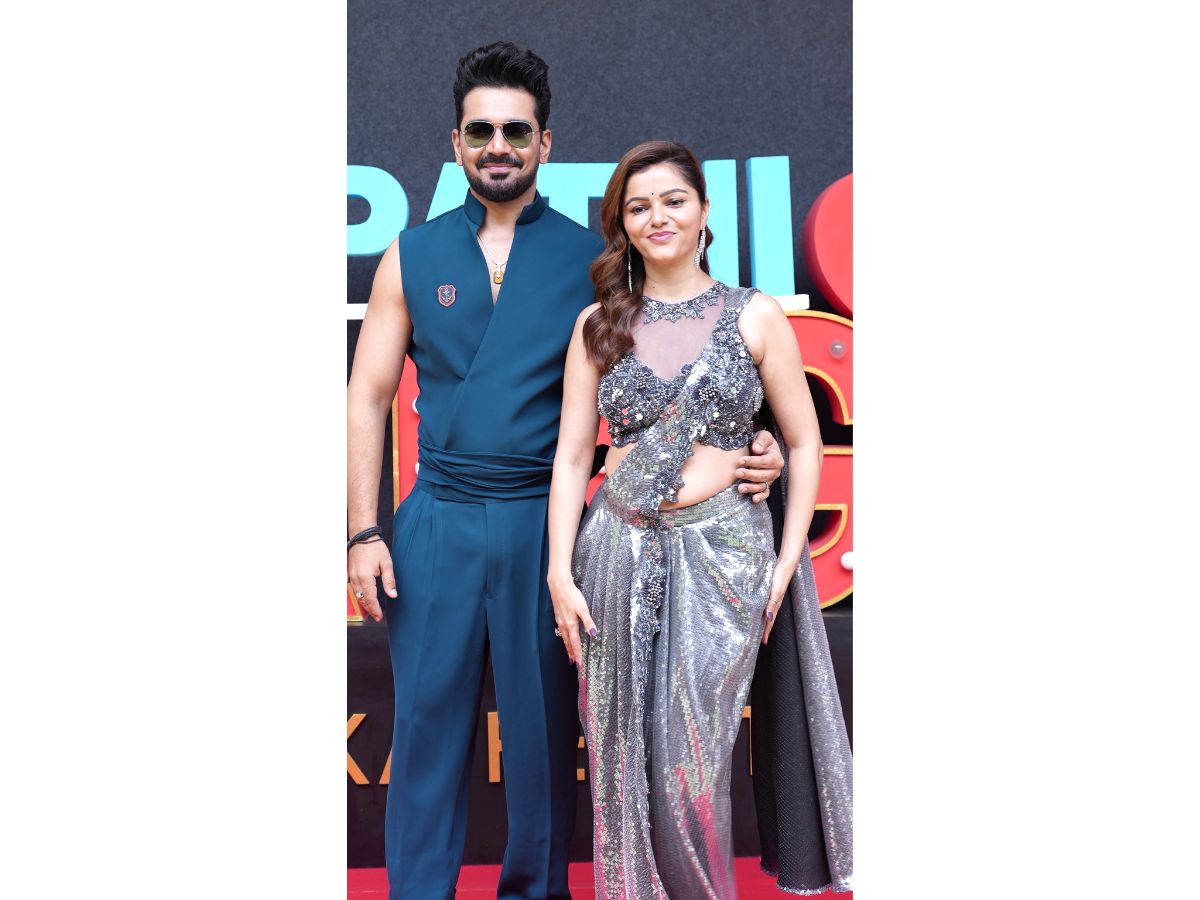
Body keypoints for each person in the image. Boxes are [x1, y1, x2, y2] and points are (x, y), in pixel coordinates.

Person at [346, 45, 785, 900]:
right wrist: (364, 530)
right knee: (426, 733)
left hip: (542, 524)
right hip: (434, 521)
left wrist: (751, 448)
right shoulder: (410, 254)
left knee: (545, 743)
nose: (498, 146)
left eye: (517, 131)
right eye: (481, 131)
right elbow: (366, 395)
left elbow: (675, 371)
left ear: (545, 143)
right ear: (455, 142)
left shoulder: (597, 261)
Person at [546, 141, 854, 898]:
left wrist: (788, 558)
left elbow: (803, 440)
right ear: (622, 223)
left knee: (690, 763)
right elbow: (572, 456)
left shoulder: (755, 314)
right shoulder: (597, 325)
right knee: (619, 761)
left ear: (704, 211)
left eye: (673, 200)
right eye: (639, 206)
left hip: (725, 555)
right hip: (613, 551)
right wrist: (559, 571)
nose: (658, 217)